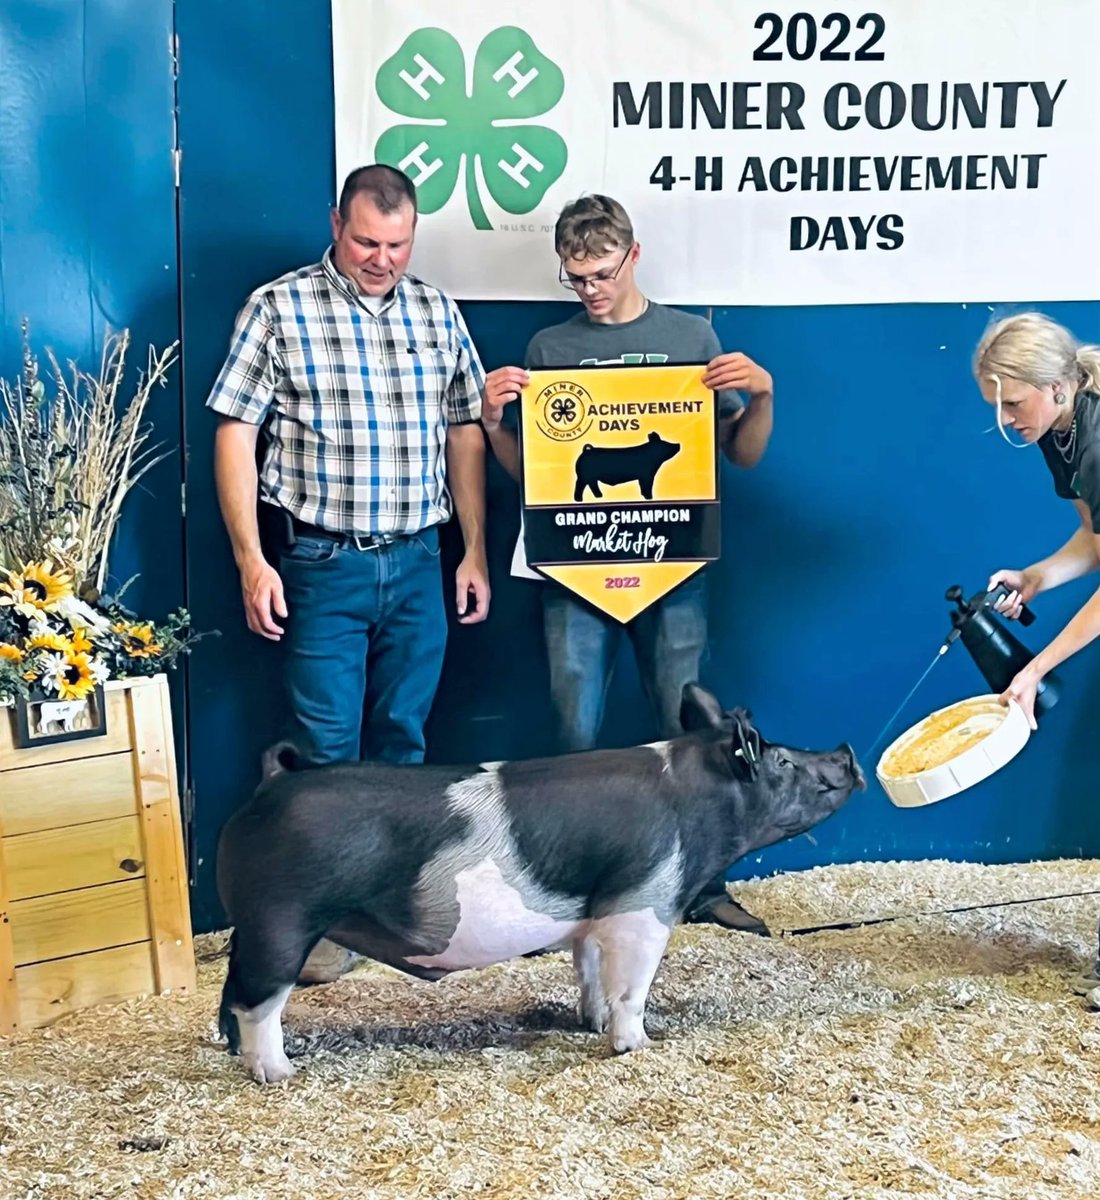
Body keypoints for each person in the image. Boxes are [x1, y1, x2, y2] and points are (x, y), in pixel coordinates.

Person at [207, 164, 489, 981]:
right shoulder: (278, 307)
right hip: (322, 561)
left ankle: (392, 912)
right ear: (336, 223)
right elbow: (235, 433)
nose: (382, 258)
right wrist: (251, 558)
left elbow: (465, 430)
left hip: (416, 560)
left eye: (398, 244)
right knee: (326, 755)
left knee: (403, 745)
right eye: (367, 240)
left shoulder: (437, 310)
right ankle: (318, 920)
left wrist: (471, 549)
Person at [480, 194, 776, 933]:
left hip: (674, 562)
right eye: (576, 277)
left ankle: (702, 883)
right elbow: (537, 478)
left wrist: (762, 392)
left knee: (690, 719)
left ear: (633, 255)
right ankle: (568, 891)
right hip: (575, 568)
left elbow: (739, 452)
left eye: (602, 273)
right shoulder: (551, 348)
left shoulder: (692, 334)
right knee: (570, 723)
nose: (591, 289)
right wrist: (491, 423)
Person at [973, 310, 1100, 994]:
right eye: (993, 402)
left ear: (1056, 385)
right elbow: (1095, 543)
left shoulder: (1099, 438)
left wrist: (1036, 666)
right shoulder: (1061, 433)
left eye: (1012, 402)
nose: (1004, 419)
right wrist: (1035, 578)